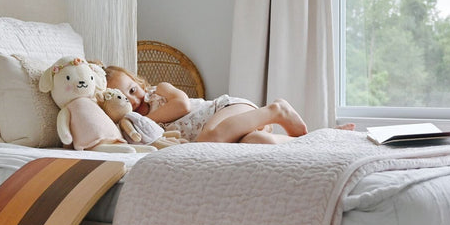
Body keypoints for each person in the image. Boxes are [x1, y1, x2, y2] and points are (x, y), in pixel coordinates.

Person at [104, 65, 308, 145]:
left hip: (226, 109)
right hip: (234, 133)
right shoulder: (132, 126)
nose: (132, 100)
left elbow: (182, 105)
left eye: (132, 90)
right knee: (258, 142)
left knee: (208, 139)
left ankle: (276, 110)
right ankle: (298, 144)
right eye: (123, 99)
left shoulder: (158, 91)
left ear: (139, 82)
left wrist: (145, 120)